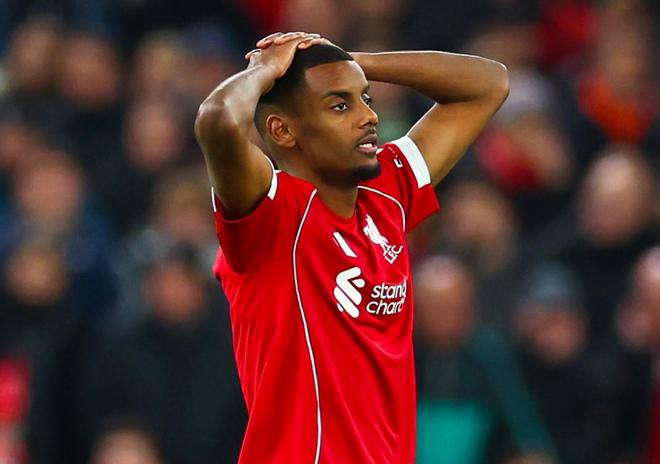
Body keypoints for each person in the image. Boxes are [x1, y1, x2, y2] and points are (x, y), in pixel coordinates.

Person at [194, 31, 509, 463]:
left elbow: (489, 83)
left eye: (366, 99)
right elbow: (217, 120)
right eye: (340, 106)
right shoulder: (272, 216)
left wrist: (353, 61)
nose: (368, 116)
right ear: (282, 130)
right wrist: (264, 69)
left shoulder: (388, 192)